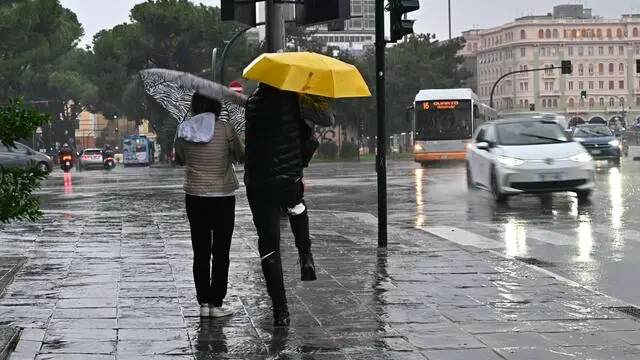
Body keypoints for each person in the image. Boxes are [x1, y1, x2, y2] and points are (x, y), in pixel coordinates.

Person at [244, 83, 333, 327]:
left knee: (269, 245)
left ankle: (280, 310)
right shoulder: (296, 100)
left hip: (259, 183)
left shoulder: (251, 103)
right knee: (297, 206)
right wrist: (312, 95)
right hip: (289, 179)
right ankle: (305, 253)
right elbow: (327, 118)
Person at [174, 92, 244, 318]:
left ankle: (203, 302)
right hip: (222, 197)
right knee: (221, 250)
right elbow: (240, 156)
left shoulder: (184, 129)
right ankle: (217, 302)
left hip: (195, 196)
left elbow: (180, 159)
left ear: (194, 106)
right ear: (217, 106)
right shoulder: (225, 129)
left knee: (200, 250)